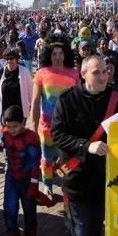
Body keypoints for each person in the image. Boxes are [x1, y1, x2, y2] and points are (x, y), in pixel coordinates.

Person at [51, 56, 118, 236]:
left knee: (105, 231)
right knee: (85, 235)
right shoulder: (67, 99)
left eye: (105, 71)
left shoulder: (115, 96)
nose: (103, 77)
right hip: (79, 181)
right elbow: (57, 134)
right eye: (96, 73)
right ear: (83, 74)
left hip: (107, 179)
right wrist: (86, 146)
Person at [29, 41, 79, 196]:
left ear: (66, 55)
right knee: (46, 158)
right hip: (46, 127)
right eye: (54, 53)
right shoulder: (41, 73)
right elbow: (36, 102)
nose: (57, 57)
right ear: (48, 56)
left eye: (61, 53)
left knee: (66, 160)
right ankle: (48, 186)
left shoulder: (74, 73)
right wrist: (33, 126)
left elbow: (78, 102)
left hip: (67, 127)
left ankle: (65, 183)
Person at [0, 105, 40, 236]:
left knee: (29, 212)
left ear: (23, 122)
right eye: (8, 126)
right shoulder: (5, 133)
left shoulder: (31, 137)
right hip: (11, 179)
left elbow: (35, 163)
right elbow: (0, 144)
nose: (11, 130)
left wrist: (34, 185)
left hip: (28, 181)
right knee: (9, 212)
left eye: (15, 126)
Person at [0, 49, 33, 129]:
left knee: (19, 135)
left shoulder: (25, 72)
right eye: (7, 58)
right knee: (7, 135)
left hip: (20, 111)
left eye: (11, 58)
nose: (9, 61)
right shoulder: (0, 71)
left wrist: (33, 107)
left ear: (16, 59)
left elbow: (31, 92)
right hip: (5, 112)